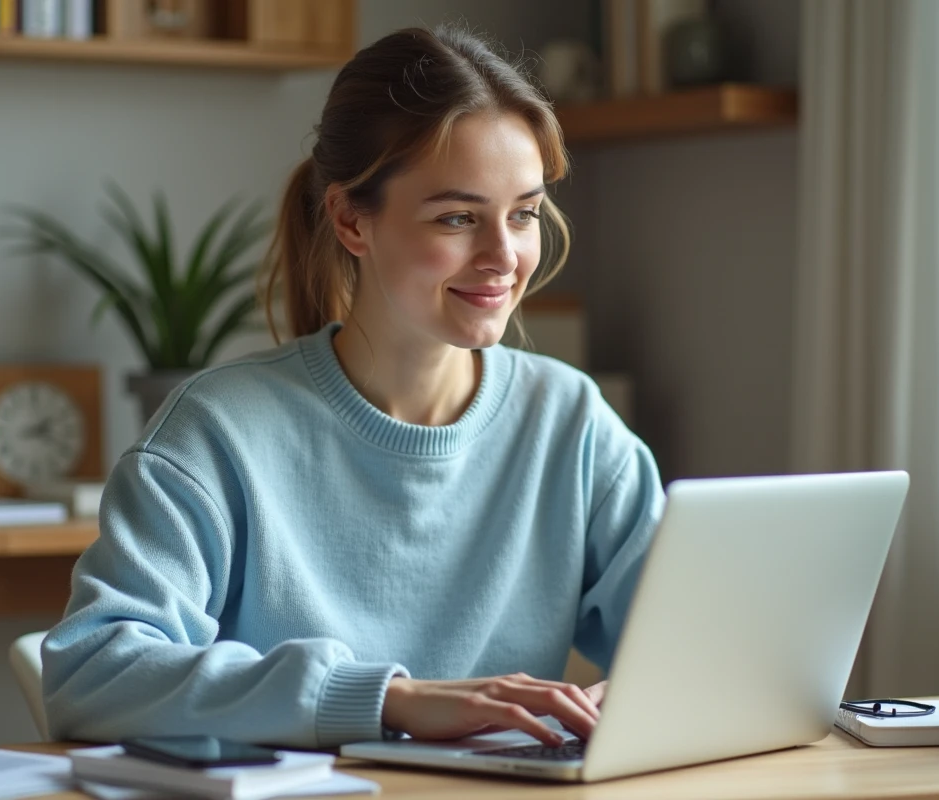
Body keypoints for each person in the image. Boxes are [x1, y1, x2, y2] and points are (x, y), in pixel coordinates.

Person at [42, 23, 664, 750]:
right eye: (458, 217)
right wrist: (387, 700)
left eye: (523, 214)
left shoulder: (570, 421)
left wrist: (658, 690)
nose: (504, 256)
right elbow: (88, 676)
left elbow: (692, 635)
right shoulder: (215, 432)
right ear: (350, 220)